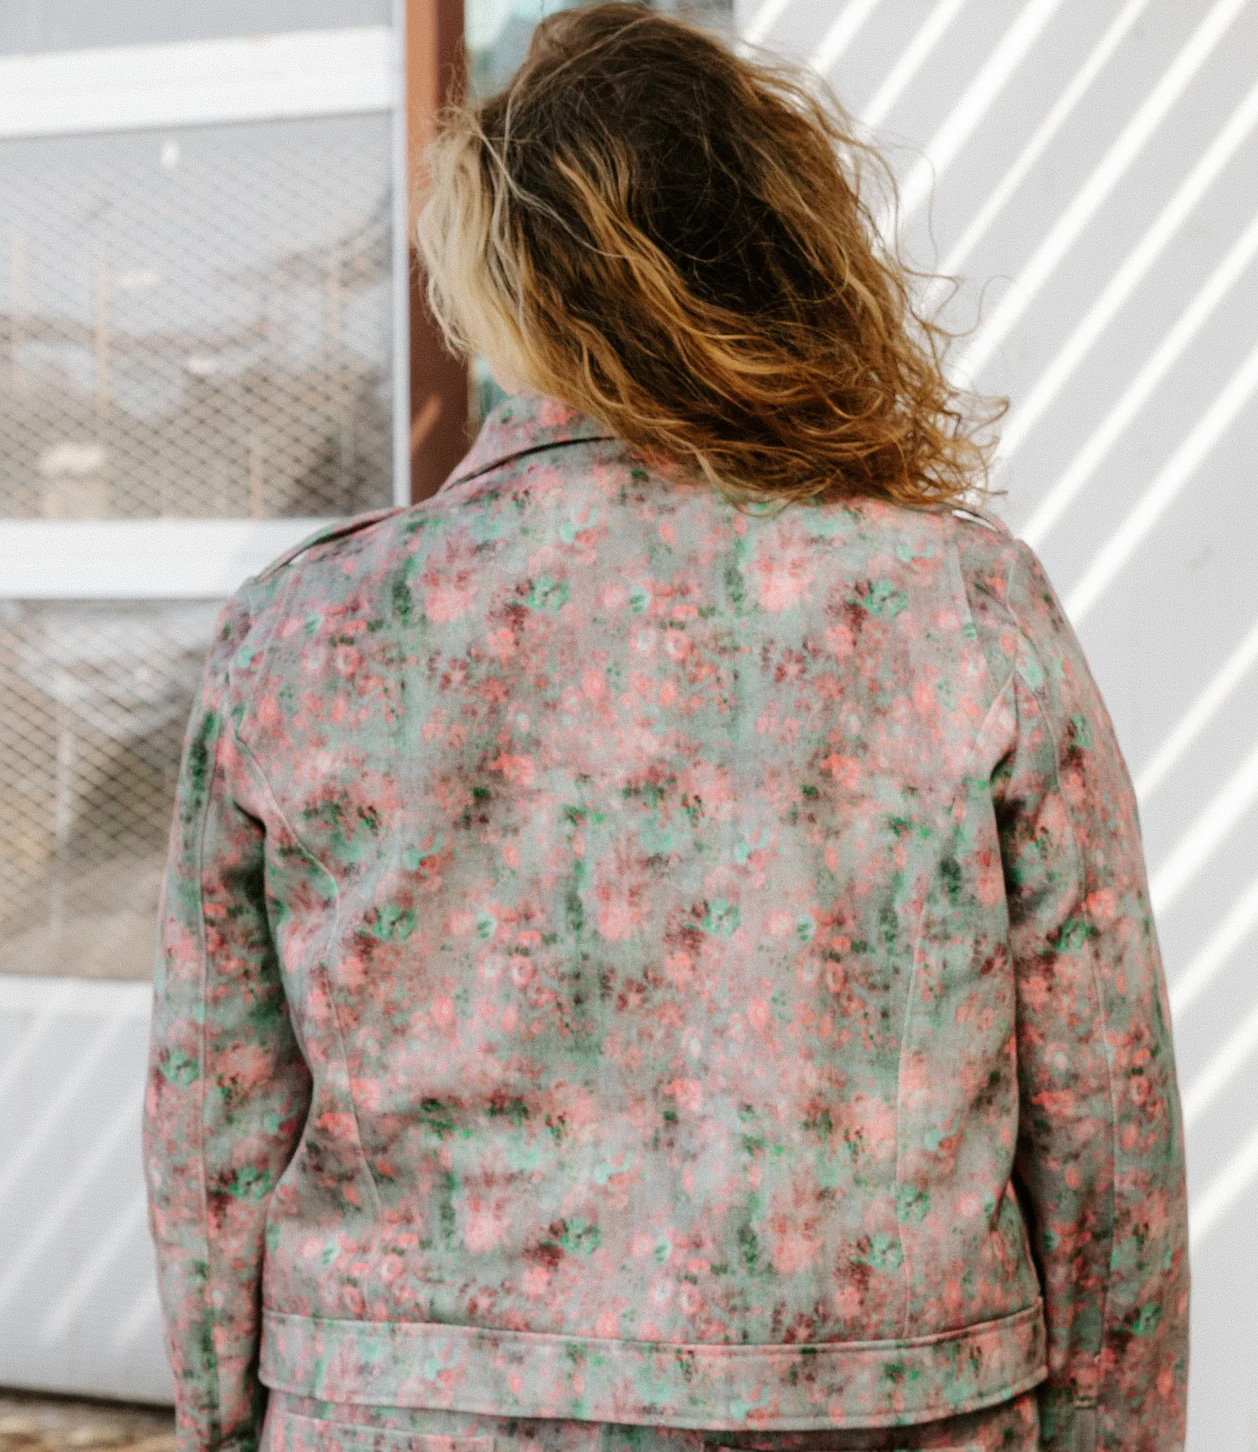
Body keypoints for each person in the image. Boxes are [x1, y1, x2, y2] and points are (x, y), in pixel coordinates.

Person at [143, 6, 1188, 1452]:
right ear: (774, 258)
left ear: (500, 287)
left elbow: (214, 1127)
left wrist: (223, 1424)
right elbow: (1105, 1122)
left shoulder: (302, 633)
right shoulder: (955, 606)